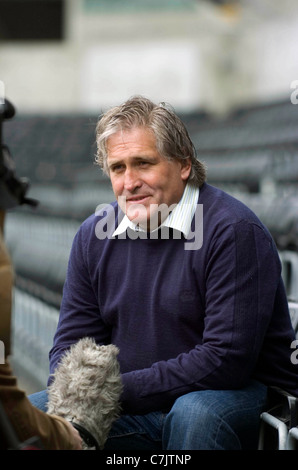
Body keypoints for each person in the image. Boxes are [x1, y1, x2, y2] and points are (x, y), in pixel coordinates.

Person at [29, 95, 298, 450]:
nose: (130, 182)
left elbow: (224, 361)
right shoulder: (93, 236)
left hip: (238, 396)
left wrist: (108, 391)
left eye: (143, 163)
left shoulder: (232, 230)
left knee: (194, 413)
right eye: (118, 168)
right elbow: (70, 344)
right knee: (27, 416)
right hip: (138, 403)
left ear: (183, 165)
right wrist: (73, 399)